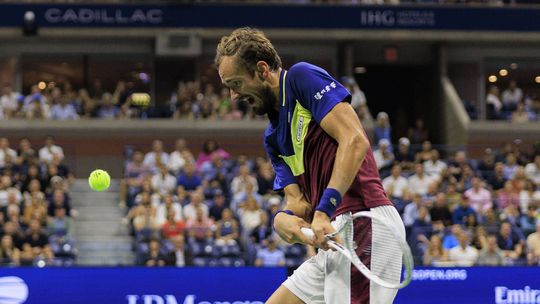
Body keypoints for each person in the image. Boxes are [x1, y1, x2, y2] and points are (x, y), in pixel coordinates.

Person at [216, 27, 405, 304]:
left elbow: (354, 141)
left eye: (236, 84)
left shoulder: (301, 78)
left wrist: (323, 210)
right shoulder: (273, 136)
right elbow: (298, 203)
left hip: (362, 221)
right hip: (333, 236)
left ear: (262, 69)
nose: (233, 96)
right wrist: (282, 220)